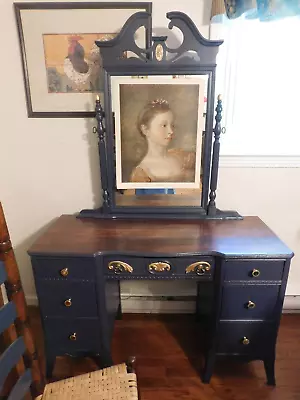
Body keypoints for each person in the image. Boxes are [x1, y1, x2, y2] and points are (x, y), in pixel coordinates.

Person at [130, 99, 196, 193]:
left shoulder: (180, 156)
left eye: (172, 125)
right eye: (164, 125)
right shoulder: (142, 172)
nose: (171, 131)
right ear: (145, 130)